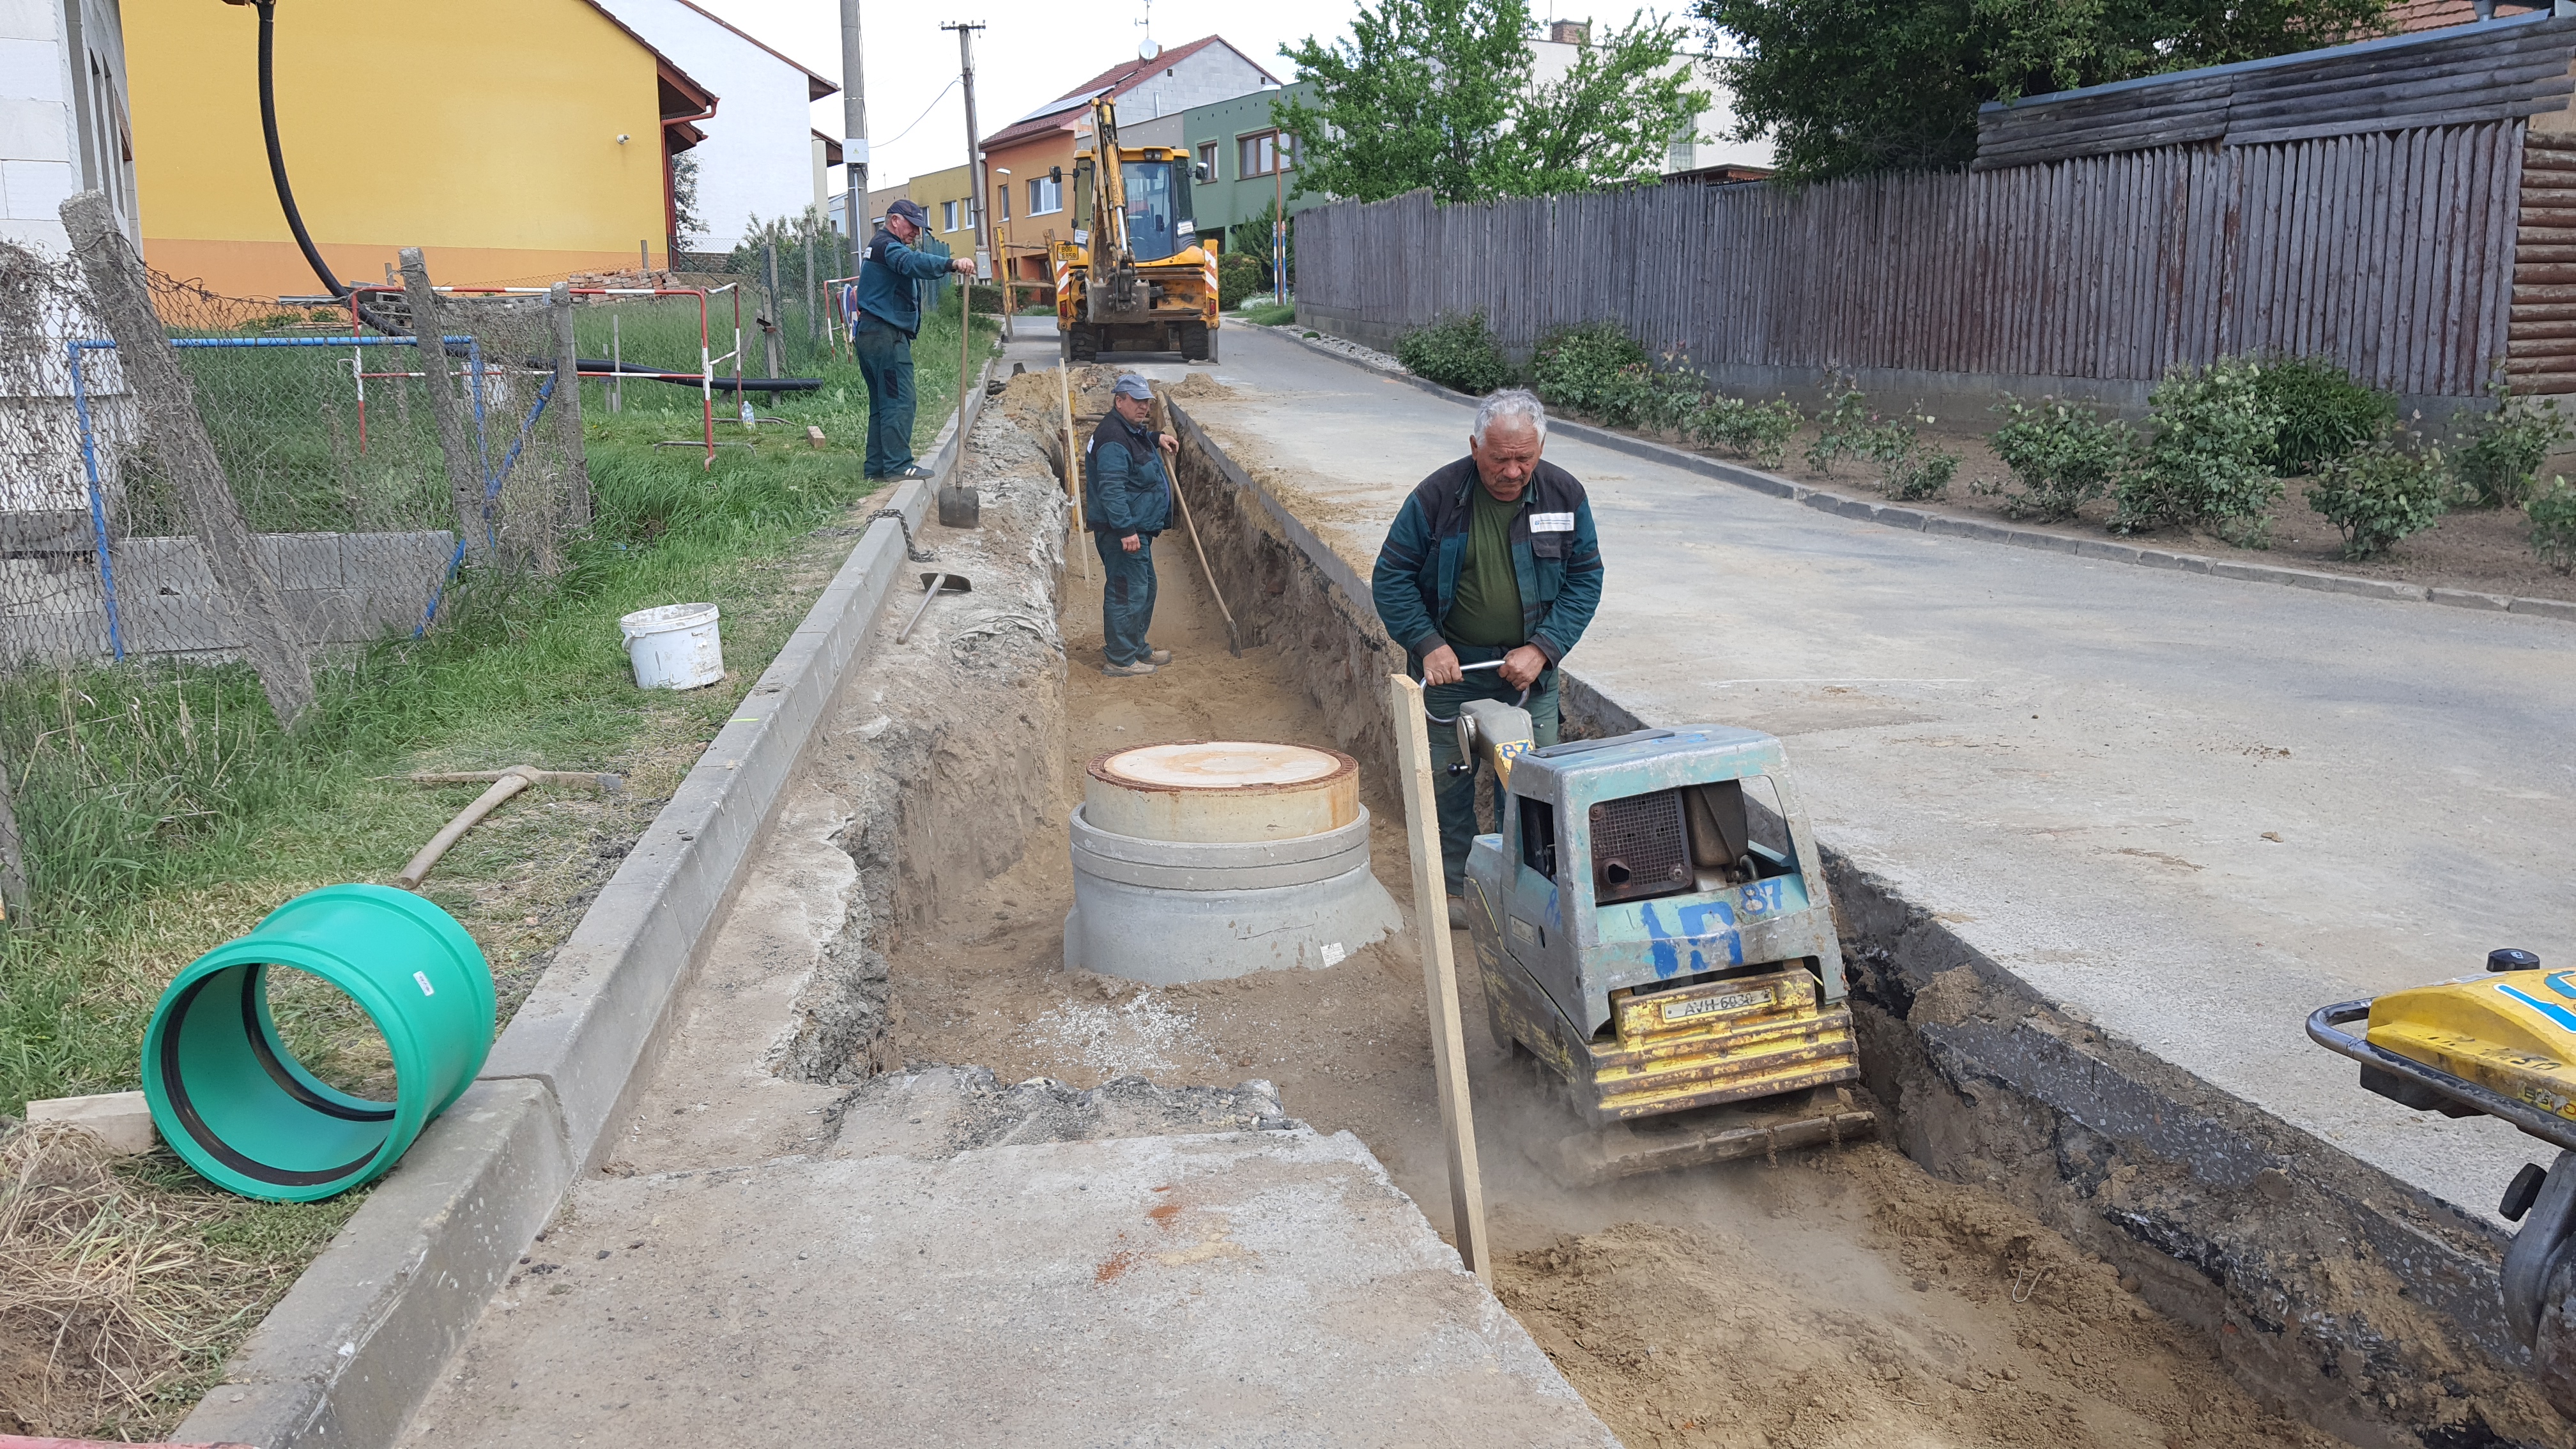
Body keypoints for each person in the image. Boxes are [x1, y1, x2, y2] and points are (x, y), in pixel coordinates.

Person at [1370, 388, 1603, 928]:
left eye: (1526, 458)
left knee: (1528, 789)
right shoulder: (1437, 497)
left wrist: (1543, 649)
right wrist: (1428, 645)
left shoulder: (1564, 495)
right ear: (1475, 447)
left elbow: (1586, 579)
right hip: (1451, 672)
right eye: (1500, 459)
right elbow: (1392, 577)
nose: (1513, 471)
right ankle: (1454, 891)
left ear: (1541, 448)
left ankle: (1521, 897)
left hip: (1526, 678)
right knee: (1448, 784)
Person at [850, 197, 977, 480]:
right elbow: (911, 263)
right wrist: (951, 264)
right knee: (899, 401)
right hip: (886, 337)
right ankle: (897, 466)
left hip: (870, 334)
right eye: (912, 225)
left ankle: (876, 467)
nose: (916, 233)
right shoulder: (889, 248)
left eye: (920, 228)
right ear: (895, 220)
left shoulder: (878, 248)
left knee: (882, 404)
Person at [1087, 374, 1180, 676]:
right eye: (1138, 401)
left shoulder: (1127, 429)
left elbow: (1135, 444)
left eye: (1147, 402)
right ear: (1119, 401)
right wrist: (1126, 530)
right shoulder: (1113, 438)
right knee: (1127, 591)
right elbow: (1112, 490)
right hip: (1122, 532)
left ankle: (1137, 647)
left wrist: (1155, 438)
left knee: (1145, 587)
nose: (1144, 407)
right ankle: (1120, 659)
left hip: (1136, 528)